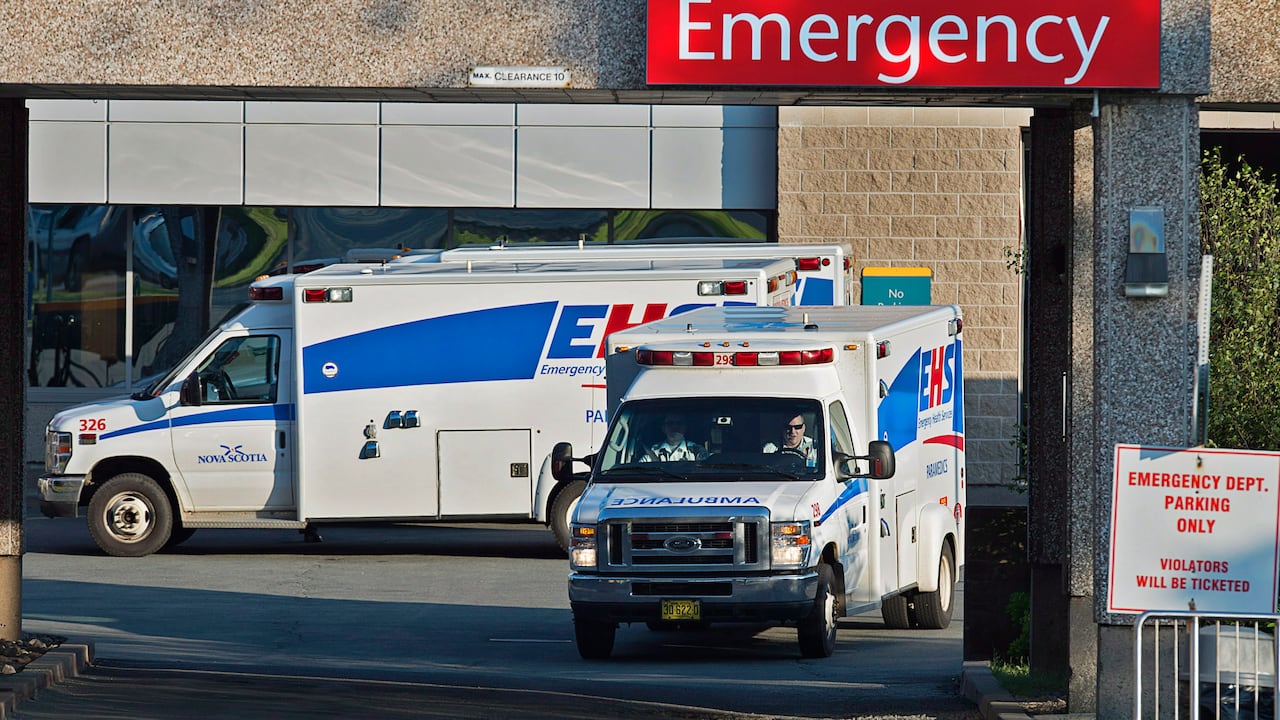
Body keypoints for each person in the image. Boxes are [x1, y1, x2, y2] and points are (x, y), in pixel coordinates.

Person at [641, 415, 707, 462]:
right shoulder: (653, 452)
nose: (675, 426)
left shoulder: (698, 451)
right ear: (663, 428)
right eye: (670, 423)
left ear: (685, 428)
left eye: (679, 423)